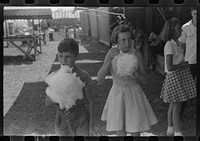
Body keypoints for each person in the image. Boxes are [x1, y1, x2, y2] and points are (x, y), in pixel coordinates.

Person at [97, 24, 158, 136]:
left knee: (135, 130)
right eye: (123, 40)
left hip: (134, 94)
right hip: (117, 94)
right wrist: (108, 61)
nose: (127, 43)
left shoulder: (136, 53)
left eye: (129, 39)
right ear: (116, 41)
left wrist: (137, 73)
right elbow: (100, 79)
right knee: (120, 130)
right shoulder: (112, 54)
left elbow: (146, 81)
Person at [45, 38, 96, 136]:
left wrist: (91, 126)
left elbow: (90, 101)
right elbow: (47, 102)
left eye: (67, 56)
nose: (63, 61)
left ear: (76, 56)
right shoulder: (54, 76)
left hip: (81, 118)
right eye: (60, 56)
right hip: (62, 120)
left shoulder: (83, 76)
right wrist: (60, 95)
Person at [160, 18, 196, 136]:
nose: (181, 30)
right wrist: (183, 64)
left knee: (174, 104)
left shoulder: (176, 43)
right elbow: (170, 67)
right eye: (178, 28)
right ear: (171, 30)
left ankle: (170, 129)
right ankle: (177, 132)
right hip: (174, 76)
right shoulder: (169, 45)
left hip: (179, 76)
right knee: (177, 106)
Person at [178, 7, 197, 118]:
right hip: (190, 61)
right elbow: (181, 44)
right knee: (186, 87)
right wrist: (181, 59)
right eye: (195, 14)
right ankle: (179, 113)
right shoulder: (185, 27)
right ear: (191, 13)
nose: (197, 16)